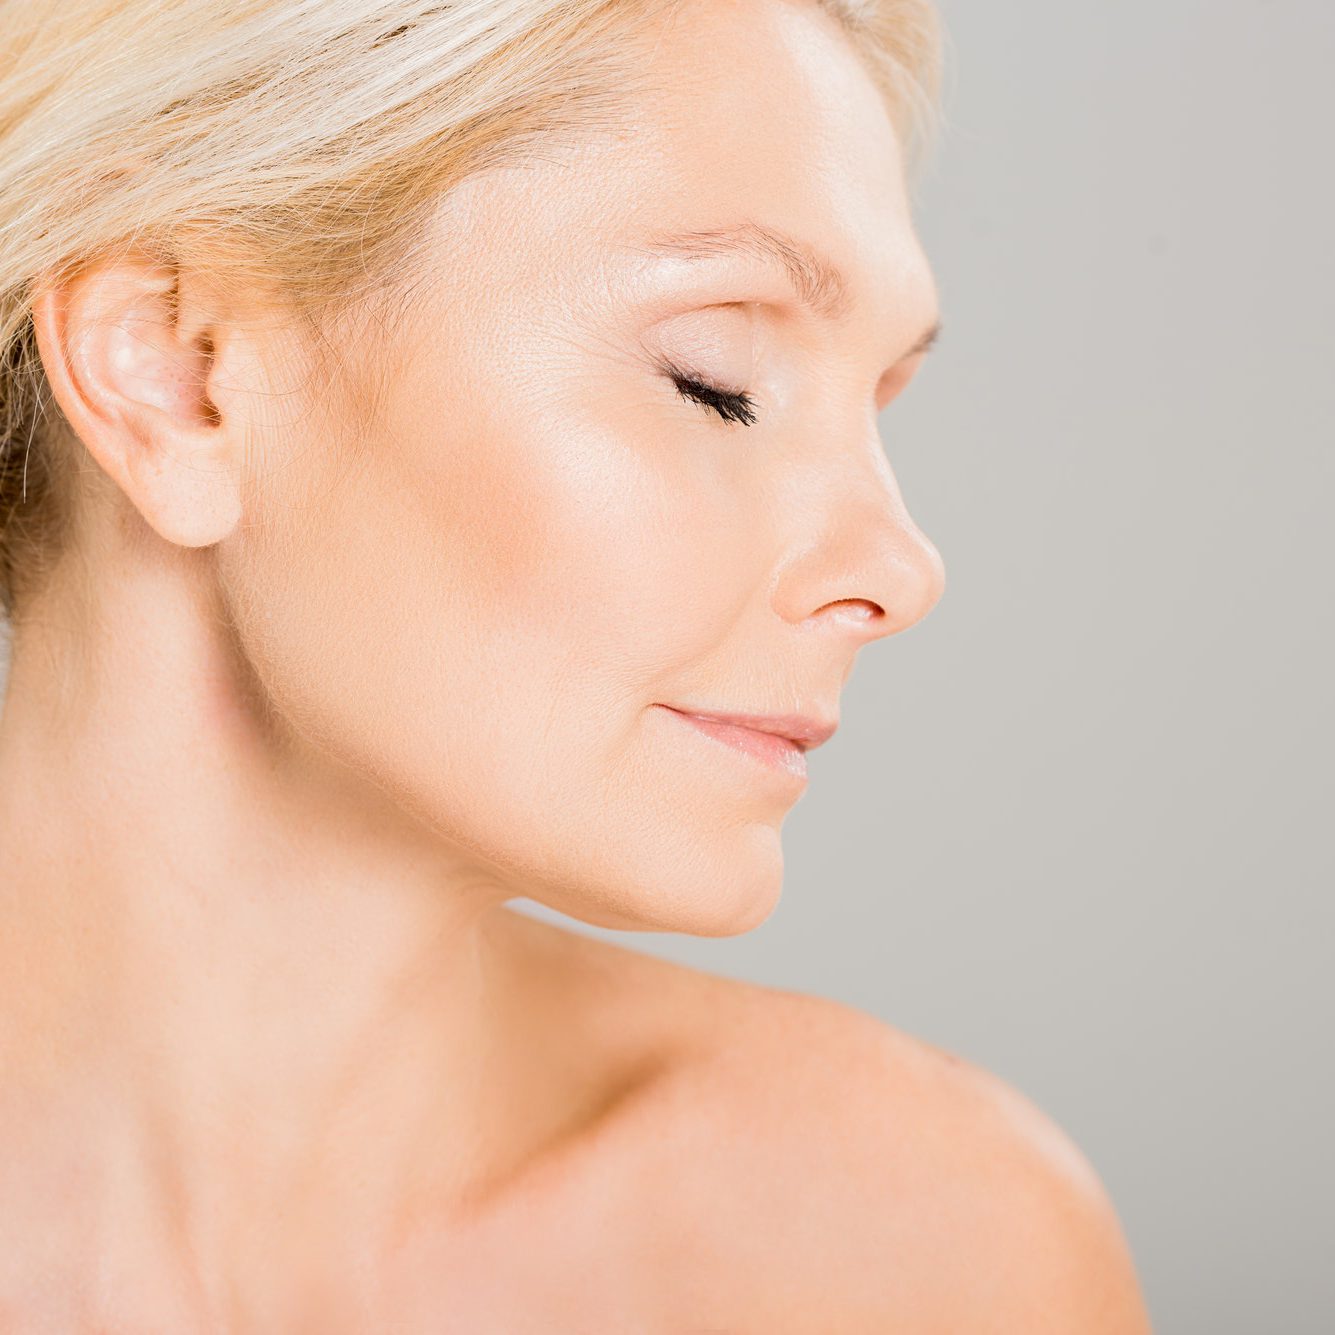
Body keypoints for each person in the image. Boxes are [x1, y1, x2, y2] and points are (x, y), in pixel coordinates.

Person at [0, 0, 1154, 1328]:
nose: (901, 569)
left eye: (876, 407)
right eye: (714, 378)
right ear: (175, 367)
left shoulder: (921, 1256)